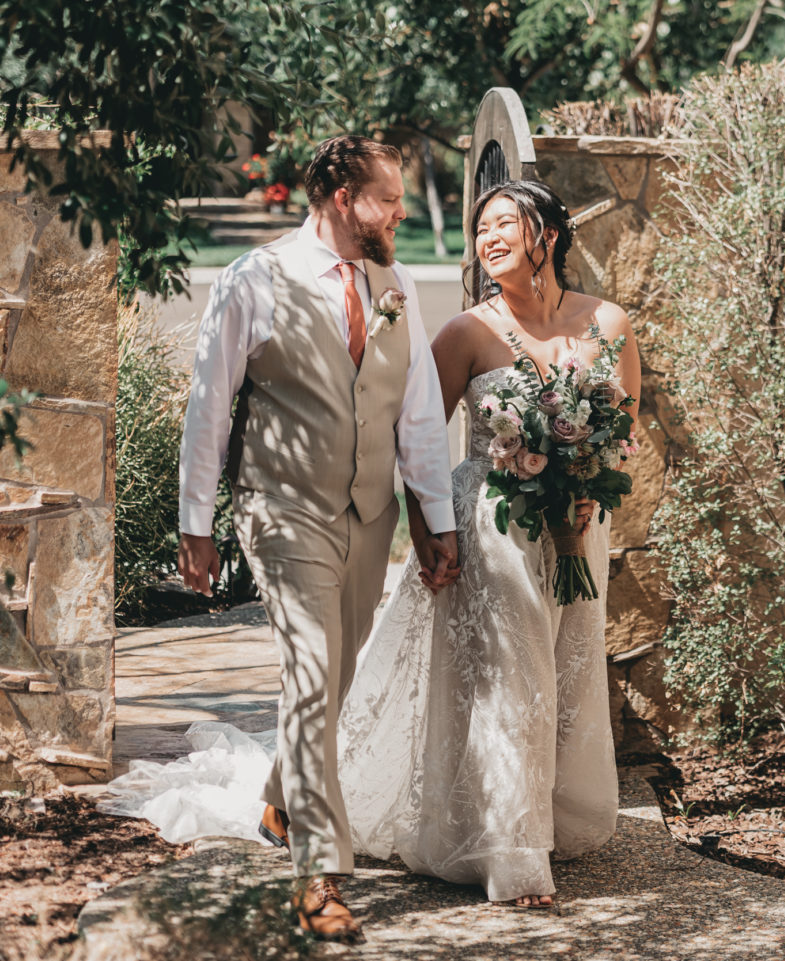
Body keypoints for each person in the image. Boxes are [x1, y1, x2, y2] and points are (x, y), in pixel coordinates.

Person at [175, 135, 459, 942]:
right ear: (342, 198)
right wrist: (196, 526)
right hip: (282, 509)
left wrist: (433, 520)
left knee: (332, 674)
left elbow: (419, 416)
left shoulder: (396, 282)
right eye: (389, 200)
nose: (401, 213)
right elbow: (209, 409)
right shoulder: (253, 280)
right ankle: (319, 872)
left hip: (370, 514)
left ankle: (278, 796)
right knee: (308, 671)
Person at [336, 178, 642, 908]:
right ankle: (512, 855)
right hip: (494, 530)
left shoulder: (607, 322)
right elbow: (418, 440)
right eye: (480, 229)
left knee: (563, 672)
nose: (488, 238)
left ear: (549, 233)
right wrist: (429, 527)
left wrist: (588, 490)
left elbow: (624, 432)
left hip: (577, 533)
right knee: (509, 680)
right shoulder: (467, 332)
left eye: (504, 223)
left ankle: (545, 817)